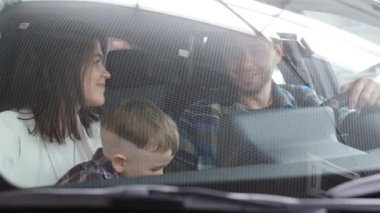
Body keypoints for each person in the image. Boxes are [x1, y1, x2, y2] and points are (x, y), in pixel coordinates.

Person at [171, 34, 380, 171]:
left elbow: (351, 126)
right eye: (234, 52)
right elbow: (178, 181)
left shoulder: (304, 99)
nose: (245, 63)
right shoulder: (200, 116)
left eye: (257, 50)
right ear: (223, 57)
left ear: (278, 53)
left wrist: (373, 99)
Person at [0, 21, 111, 187]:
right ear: (66, 67)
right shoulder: (7, 130)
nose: (107, 74)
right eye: (97, 62)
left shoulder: (99, 131)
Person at [56, 99, 179, 185]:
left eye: (164, 169)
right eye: (154, 169)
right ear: (120, 163)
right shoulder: (94, 182)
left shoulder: (127, 177)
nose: (161, 176)